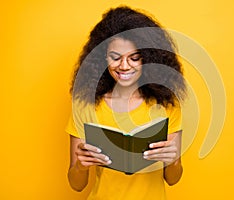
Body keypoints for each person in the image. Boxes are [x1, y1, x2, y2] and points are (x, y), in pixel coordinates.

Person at [65, 6, 187, 200]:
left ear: (148, 58)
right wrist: (80, 164)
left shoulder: (166, 104)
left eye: (134, 58)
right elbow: (76, 185)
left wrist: (172, 161)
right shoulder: (86, 104)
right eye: (115, 57)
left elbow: (173, 179)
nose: (124, 66)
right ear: (102, 58)